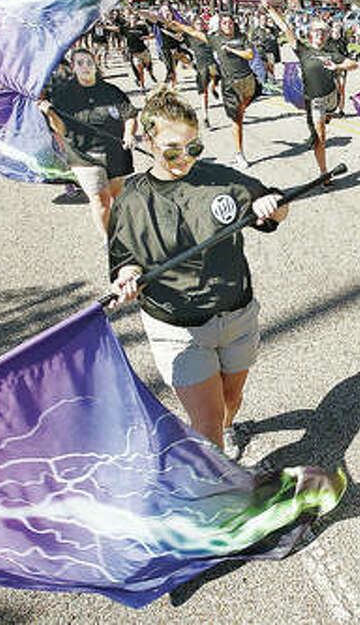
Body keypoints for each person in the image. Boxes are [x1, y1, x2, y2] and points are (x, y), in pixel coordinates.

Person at [107, 87, 288, 460]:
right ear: (147, 140)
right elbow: (125, 259)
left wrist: (272, 205)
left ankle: (228, 427)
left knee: (230, 401)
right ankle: (221, 496)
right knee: (205, 421)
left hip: (237, 315)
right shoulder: (131, 202)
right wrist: (127, 276)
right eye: (172, 149)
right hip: (177, 328)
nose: (184, 158)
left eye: (193, 148)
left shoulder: (221, 180)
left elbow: (275, 210)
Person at [40, 48, 138, 241]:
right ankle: (108, 240)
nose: (85, 66)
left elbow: (129, 115)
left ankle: (122, 230)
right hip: (84, 156)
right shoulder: (64, 95)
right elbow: (61, 130)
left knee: (118, 197)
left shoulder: (112, 91)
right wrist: (50, 111)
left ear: (96, 65)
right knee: (100, 198)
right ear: (73, 68)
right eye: (80, 63)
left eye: (89, 62)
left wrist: (129, 134)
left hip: (116, 152)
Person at [262, 0, 357, 178]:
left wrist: (336, 66)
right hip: (316, 100)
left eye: (322, 32)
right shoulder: (303, 50)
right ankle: (323, 173)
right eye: (316, 31)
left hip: (332, 98)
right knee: (320, 135)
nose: (319, 35)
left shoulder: (332, 53)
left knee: (327, 115)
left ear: (327, 35)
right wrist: (270, 10)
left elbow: (353, 64)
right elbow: (285, 28)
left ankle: (327, 116)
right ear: (310, 33)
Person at [164, 11, 258, 168]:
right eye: (224, 23)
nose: (227, 25)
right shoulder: (215, 39)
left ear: (234, 23)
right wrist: (178, 24)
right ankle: (239, 154)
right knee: (237, 120)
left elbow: (249, 55)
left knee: (241, 111)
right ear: (220, 25)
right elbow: (194, 32)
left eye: (230, 22)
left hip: (248, 81)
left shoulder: (242, 38)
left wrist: (231, 50)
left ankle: (239, 112)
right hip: (230, 84)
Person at [183, 14, 221, 128]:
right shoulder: (190, 36)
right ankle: (205, 117)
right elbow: (179, 38)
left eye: (201, 23)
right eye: (197, 24)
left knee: (215, 76)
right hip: (200, 66)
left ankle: (213, 87)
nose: (199, 25)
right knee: (203, 94)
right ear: (194, 25)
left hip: (211, 63)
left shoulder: (207, 35)